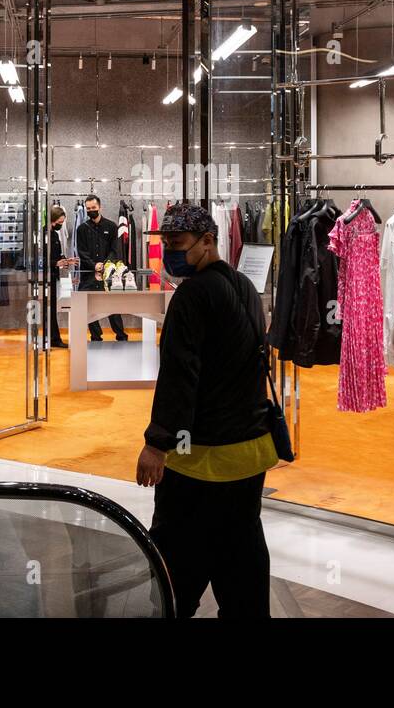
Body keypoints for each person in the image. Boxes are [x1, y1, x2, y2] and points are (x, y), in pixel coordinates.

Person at [135, 204, 277, 618]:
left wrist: (157, 444)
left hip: (200, 459)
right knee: (242, 564)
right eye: (165, 245)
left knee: (176, 568)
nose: (170, 254)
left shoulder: (192, 296)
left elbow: (180, 377)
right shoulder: (244, 286)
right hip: (249, 453)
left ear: (209, 241)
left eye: (176, 245)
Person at [76, 194, 128, 342]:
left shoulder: (112, 226)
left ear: (100, 207)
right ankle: (96, 336)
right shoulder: (81, 229)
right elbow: (81, 251)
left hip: (109, 274)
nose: (91, 210)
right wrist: (94, 265)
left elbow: (115, 249)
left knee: (113, 306)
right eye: (88, 208)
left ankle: (121, 336)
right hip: (88, 275)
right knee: (89, 307)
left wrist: (105, 264)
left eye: (94, 207)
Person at [45, 204, 79, 349]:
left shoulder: (54, 234)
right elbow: (39, 258)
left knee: (52, 309)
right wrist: (55, 263)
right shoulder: (44, 235)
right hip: (46, 277)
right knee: (49, 310)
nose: (60, 225)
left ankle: (54, 338)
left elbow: (56, 255)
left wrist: (66, 260)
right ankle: (53, 339)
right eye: (59, 223)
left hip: (53, 275)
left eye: (62, 223)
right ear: (52, 220)